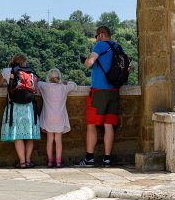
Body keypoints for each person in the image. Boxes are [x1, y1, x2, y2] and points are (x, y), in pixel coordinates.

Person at [79, 25, 122, 167]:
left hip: (99, 91)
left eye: (97, 36)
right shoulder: (117, 47)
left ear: (101, 35)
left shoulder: (100, 45)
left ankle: (89, 158)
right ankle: (107, 159)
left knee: (92, 124)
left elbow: (90, 63)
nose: (96, 39)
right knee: (108, 124)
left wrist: (85, 60)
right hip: (114, 91)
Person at [0, 53, 40, 168]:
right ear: (24, 61)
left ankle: (22, 162)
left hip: (14, 106)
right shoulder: (29, 72)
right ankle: (28, 160)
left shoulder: (7, 71)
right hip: (29, 107)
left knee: (18, 135)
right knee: (29, 135)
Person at [38, 68, 76, 168]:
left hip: (48, 117)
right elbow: (74, 85)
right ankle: (58, 162)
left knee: (49, 140)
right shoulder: (64, 87)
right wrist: (66, 82)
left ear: (48, 77)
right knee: (58, 141)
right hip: (59, 117)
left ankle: (50, 161)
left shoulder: (44, 86)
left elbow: (36, 83)